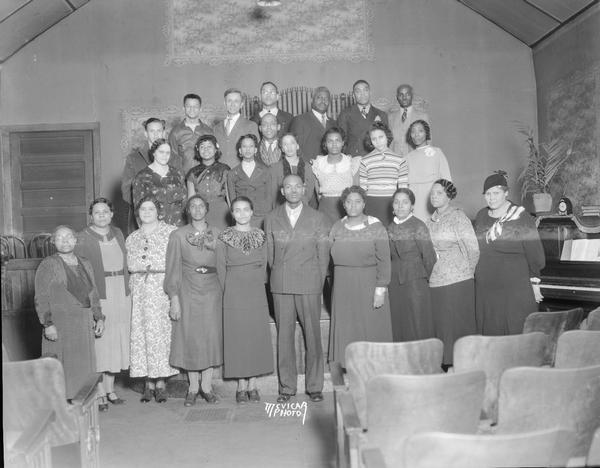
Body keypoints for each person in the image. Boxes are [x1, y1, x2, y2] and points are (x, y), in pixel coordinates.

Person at [265, 174, 331, 403]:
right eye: (288, 187)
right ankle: (287, 387)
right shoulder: (271, 217)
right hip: (281, 283)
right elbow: (270, 255)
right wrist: (279, 274)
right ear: (281, 191)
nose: (293, 190)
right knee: (284, 337)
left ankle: (315, 386)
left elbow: (323, 256)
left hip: (309, 282)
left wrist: (317, 282)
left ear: (304, 189)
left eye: (297, 186)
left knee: (313, 335)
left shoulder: (319, 218)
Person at [35, 225, 105, 400]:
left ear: (75, 240)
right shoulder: (48, 264)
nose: (65, 241)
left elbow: (93, 293)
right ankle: (61, 408)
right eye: (59, 238)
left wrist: (99, 317)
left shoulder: (85, 262)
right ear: (53, 242)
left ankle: (83, 404)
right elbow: (41, 297)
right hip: (61, 325)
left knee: (83, 368)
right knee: (61, 369)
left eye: (68, 237)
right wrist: (48, 324)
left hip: (83, 324)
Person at [165, 195, 223, 406]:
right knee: (191, 337)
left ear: (207, 209)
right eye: (192, 206)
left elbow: (225, 263)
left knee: (210, 336)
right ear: (187, 211)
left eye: (201, 206)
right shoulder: (178, 235)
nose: (197, 209)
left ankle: (207, 387)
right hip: (188, 289)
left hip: (213, 290)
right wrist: (174, 298)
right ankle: (192, 387)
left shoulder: (218, 234)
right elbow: (173, 268)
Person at [75, 198, 131, 411]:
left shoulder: (118, 233)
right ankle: (98, 393)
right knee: (102, 343)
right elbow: (80, 272)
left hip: (122, 292)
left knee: (118, 340)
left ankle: (110, 388)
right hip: (101, 293)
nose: (101, 215)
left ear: (111, 214)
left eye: (105, 211)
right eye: (97, 212)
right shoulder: (82, 237)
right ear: (91, 215)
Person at [217, 196, 273, 403]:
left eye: (245, 210)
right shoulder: (224, 237)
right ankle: (241, 383)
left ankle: (253, 383)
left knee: (255, 334)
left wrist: (258, 285)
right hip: (233, 291)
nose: (241, 214)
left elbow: (265, 263)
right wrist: (228, 290)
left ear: (252, 212)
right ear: (232, 214)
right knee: (237, 336)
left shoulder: (260, 235)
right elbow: (220, 267)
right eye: (237, 210)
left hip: (255, 290)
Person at [474, 171, 545, 335]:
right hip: (486, 290)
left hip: (513, 289)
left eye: (496, 193)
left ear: (506, 193)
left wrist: (535, 282)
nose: (491, 198)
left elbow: (536, 255)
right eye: (488, 194)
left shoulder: (521, 217)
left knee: (514, 335)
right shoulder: (481, 215)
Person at [328, 186, 392, 367]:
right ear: (343, 204)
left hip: (368, 284)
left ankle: (374, 371)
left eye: (357, 201)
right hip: (342, 285)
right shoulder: (337, 226)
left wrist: (381, 289)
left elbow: (384, 260)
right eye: (348, 201)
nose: (353, 205)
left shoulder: (376, 226)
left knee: (370, 328)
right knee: (347, 328)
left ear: (364, 203)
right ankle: (348, 369)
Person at [127, 197, 178, 403]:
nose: (147, 212)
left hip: (160, 287)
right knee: (142, 332)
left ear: (159, 211)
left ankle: (161, 383)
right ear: (138, 213)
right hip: (139, 289)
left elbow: (176, 263)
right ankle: (148, 382)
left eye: (151, 208)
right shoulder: (132, 237)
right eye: (143, 209)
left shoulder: (171, 232)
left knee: (160, 333)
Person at [426, 180, 479, 366]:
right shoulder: (429, 222)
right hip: (436, 280)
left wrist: (466, 272)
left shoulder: (458, 217)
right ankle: (445, 364)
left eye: (439, 193)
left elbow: (473, 249)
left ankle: (462, 365)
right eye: (432, 193)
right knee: (442, 326)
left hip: (458, 281)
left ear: (449, 196)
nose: (434, 196)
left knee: (458, 325)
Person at [387, 188, 436, 342]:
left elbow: (430, 258)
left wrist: (421, 279)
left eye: (405, 202)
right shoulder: (389, 227)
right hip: (395, 283)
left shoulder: (418, 226)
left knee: (417, 323)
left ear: (412, 206)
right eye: (396, 202)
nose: (400, 206)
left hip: (416, 281)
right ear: (392, 206)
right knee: (399, 322)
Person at [359, 121, 409, 226]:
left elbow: (403, 189)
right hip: (371, 203)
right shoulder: (365, 160)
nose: (378, 141)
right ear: (370, 141)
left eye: (381, 137)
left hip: (391, 203)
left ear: (387, 136)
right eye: (374, 139)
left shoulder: (400, 160)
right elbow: (363, 189)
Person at [122, 117, 165, 234]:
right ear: (146, 133)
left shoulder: (174, 157)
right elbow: (126, 190)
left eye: (159, 131)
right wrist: (143, 209)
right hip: (141, 215)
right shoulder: (134, 158)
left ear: (164, 132)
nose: (156, 134)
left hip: (167, 214)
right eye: (152, 131)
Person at [132, 138, 187, 227]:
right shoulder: (142, 177)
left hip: (178, 227)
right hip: (155, 228)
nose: (164, 156)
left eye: (167, 153)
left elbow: (185, 202)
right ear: (154, 153)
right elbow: (138, 209)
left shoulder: (177, 174)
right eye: (161, 152)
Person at [312, 127, 360, 223]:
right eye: (330, 141)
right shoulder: (318, 163)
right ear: (325, 144)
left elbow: (356, 189)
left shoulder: (351, 162)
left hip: (347, 207)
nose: (334, 144)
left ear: (343, 142)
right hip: (325, 208)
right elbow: (318, 192)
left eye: (337, 140)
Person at [406, 120, 452, 221]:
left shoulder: (437, 152)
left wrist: (443, 201)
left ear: (427, 133)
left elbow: (447, 180)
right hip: (415, 200)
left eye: (420, 131)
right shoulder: (407, 157)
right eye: (413, 132)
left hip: (433, 198)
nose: (416, 134)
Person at [226, 134, 273, 228]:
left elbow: (269, 196)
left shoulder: (265, 170)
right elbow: (232, 199)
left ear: (255, 150)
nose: (248, 149)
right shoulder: (232, 173)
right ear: (240, 150)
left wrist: (267, 215)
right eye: (244, 146)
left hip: (262, 216)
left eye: (251, 146)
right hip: (242, 217)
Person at [186, 134, 231, 229]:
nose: (206, 149)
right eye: (202, 147)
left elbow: (229, 196)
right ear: (198, 150)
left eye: (209, 146)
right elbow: (191, 200)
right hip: (200, 211)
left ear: (216, 149)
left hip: (221, 212)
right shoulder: (192, 173)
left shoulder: (225, 169)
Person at [337, 79, 389, 157]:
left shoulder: (381, 114)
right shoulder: (345, 114)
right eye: (358, 91)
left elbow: (386, 140)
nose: (362, 94)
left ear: (370, 93)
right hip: (354, 159)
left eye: (365, 90)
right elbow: (341, 141)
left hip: (375, 158)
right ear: (353, 96)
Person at [213, 88, 260, 168]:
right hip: (220, 174)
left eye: (236, 101)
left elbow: (255, 153)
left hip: (242, 174)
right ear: (224, 103)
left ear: (241, 104)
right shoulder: (216, 128)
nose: (232, 104)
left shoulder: (251, 125)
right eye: (229, 101)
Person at [168, 93, 214, 174]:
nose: (192, 109)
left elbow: (214, 156)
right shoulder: (175, 132)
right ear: (183, 108)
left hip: (205, 178)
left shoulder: (208, 131)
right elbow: (172, 158)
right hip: (183, 178)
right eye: (188, 106)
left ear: (200, 109)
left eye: (195, 107)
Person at [290, 86, 337, 162]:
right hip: (307, 168)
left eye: (326, 98)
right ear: (312, 100)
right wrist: (309, 165)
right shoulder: (300, 120)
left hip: (330, 170)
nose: (323, 101)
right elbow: (294, 148)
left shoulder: (334, 123)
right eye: (319, 98)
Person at [270, 132, 317, 206]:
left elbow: (309, 193)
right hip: (282, 209)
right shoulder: (275, 168)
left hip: (303, 208)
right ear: (282, 148)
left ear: (297, 146)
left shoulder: (307, 167)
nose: (289, 147)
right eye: (285, 144)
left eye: (292, 143)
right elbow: (273, 195)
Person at [389, 84, 430, 157]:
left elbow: (428, 141)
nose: (404, 98)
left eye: (407, 94)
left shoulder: (423, 116)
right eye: (401, 95)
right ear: (397, 97)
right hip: (396, 161)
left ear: (412, 96)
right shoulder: (390, 117)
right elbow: (389, 142)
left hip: (416, 160)